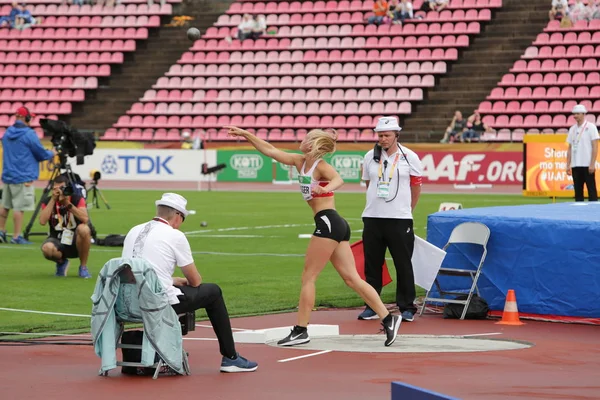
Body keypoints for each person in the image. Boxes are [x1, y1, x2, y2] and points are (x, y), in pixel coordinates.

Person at [225, 125, 402, 347]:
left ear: (312, 144)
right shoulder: (300, 162)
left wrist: (326, 189)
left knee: (309, 278)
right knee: (352, 279)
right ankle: (389, 318)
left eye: (307, 137)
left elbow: (339, 179)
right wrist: (246, 134)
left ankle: (300, 330)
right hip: (334, 224)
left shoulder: (321, 166)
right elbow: (270, 150)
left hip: (328, 223)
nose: (302, 139)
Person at [121, 192, 258, 373]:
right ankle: (231, 357)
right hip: (156, 303)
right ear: (178, 216)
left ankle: (160, 348)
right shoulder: (175, 235)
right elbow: (195, 281)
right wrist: (175, 282)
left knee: (176, 288)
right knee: (213, 292)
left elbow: (137, 271)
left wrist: (170, 280)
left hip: (126, 303)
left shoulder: (134, 230)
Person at [357, 116, 423, 323]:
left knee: (403, 264)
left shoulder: (410, 157)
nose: (382, 139)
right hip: (373, 217)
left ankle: (407, 306)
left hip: (400, 219)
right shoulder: (369, 156)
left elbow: (416, 187)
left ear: (396, 135)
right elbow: (368, 184)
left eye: (386, 135)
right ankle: (372, 305)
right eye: (380, 135)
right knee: (372, 265)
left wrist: (407, 209)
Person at [0, 106, 55, 245]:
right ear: (27, 118)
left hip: (8, 175)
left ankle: (1, 231)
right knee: (19, 208)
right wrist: (52, 153)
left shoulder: (7, 133)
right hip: (23, 176)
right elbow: (41, 153)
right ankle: (17, 236)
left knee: (5, 206)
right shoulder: (29, 134)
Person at [39, 174, 92, 278]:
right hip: (57, 239)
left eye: (62, 188)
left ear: (68, 187)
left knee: (84, 229)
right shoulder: (48, 201)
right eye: (56, 188)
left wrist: (67, 203)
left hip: (76, 241)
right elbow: (42, 221)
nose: (59, 191)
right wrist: (53, 200)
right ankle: (61, 262)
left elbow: (85, 219)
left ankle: (83, 267)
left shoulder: (77, 199)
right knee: (47, 248)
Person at [566, 104, 599, 202]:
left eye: (577, 113)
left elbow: (595, 146)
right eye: (574, 114)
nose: (575, 116)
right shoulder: (572, 129)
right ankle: (578, 214)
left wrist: (592, 163)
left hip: (587, 165)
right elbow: (570, 148)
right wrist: (568, 164)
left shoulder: (591, 127)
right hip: (576, 165)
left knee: (591, 191)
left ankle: (594, 213)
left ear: (584, 114)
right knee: (578, 192)